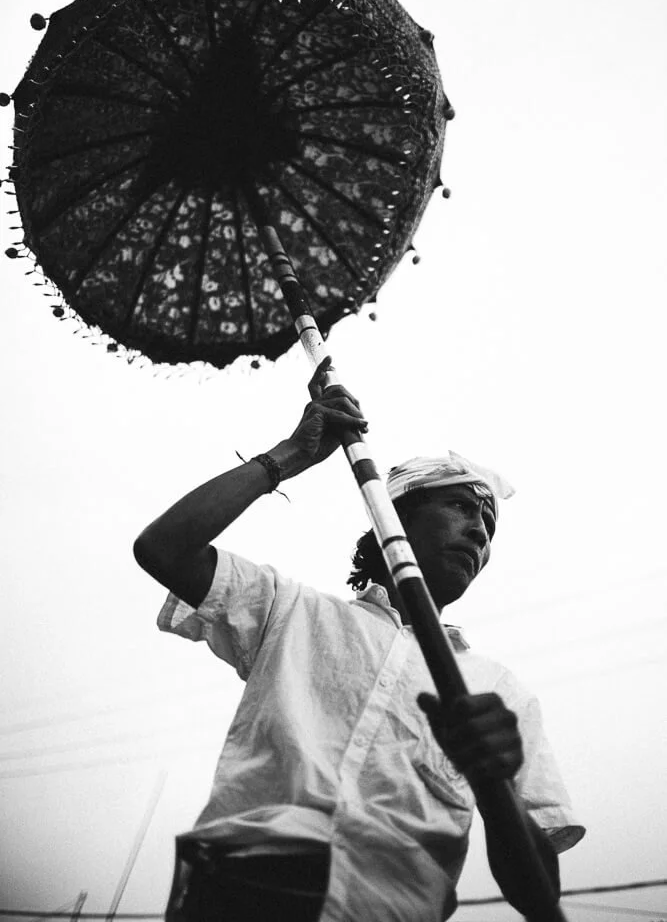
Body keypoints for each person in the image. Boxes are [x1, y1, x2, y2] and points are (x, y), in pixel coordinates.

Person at [133, 358, 584, 922]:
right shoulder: (289, 610)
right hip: (235, 893)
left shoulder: (497, 693)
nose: (478, 532)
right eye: (463, 507)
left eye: (489, 527)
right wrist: (290, 455)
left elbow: (538, 895)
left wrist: (497, 787)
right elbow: (163, 548)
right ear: (391, 520)